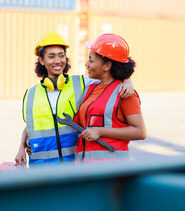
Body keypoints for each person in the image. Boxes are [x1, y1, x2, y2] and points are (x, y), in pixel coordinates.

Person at [14, 31, 135, 166]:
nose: (58, 61)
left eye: (61, 56)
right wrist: (21, 148)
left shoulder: (82, 83)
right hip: (42, 168)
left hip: (75, 164)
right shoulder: (31, 94)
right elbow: (31, 125)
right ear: (41, 60)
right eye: (51, 56)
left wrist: (127, 79)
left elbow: (109, 77)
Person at [74, 33, 146, 163]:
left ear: (107, 66)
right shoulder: (90, 88)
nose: (86, 64)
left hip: (111, 169)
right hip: (85, 167)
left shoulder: (125, 93)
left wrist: (101, 131)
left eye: (91, 59)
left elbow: (140, 131)